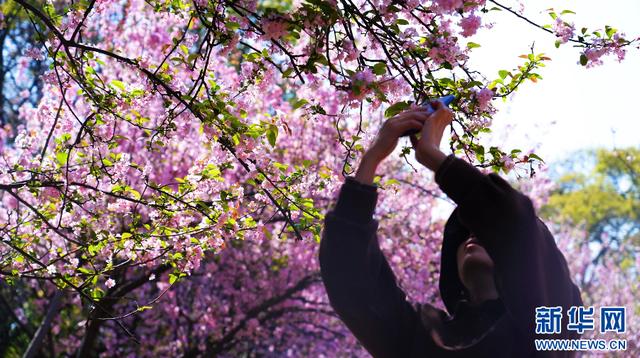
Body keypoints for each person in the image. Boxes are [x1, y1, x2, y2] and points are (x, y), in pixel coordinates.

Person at [318, 101, 583, 357]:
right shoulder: (424, 336)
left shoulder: (552, 326)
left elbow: (516, 222)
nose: (473, 235)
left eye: (486, 231)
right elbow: (353, 286)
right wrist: (373, 157)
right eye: (464, 234)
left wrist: (434, 157)